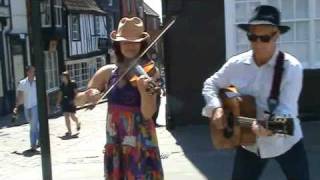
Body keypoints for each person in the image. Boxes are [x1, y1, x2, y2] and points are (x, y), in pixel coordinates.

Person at [202, 5, 309, 180]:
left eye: (265, 37)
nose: (258, 43)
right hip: (249, 142)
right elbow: (211, 84)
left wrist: (271, 127)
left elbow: (287, 112)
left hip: (286, 142)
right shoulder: (236, 64)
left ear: (276, 35)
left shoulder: (291, 67)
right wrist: (216, 108)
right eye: (253, 36)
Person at [76, 17, 163, 180]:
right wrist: (89, 95)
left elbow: (148, 114)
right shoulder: (108, 72)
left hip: (141, 141)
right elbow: (77, 100)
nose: (130, 46)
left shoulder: (150, 73)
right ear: (118, 45)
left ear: (141, 44)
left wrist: (145, 92)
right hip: (116, 140)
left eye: (134, 42)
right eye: (125, 42)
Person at [13, 66, 40, 151]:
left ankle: (33, 144)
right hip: (26, 107)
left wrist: (46, 106)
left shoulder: (38, 82)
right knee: (33, 124)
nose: (34, 73)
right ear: (28, 72)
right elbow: (19, 96)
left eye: (34, 71)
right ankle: (40, 139)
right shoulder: (22, 83)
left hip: (35, 106)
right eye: (32, 71)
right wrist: (16, 107)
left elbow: (44, 94)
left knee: (33, 126)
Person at [56, 71, 80, 136]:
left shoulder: (73, 83)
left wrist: (75, 100)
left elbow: (76, 93)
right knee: (66, 116)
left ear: (67, 77)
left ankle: (77, 122)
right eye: (61, 77)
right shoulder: (62, 85)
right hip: (64, 102)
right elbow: (60, 94)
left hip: (71, 101)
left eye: (63, 77)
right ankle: (69, 131)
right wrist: (58, 102)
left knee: (72, 116)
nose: (62, 78)